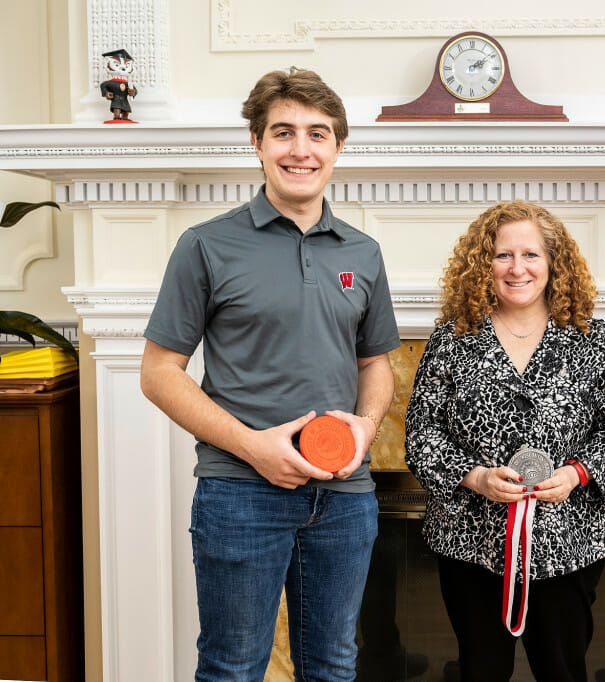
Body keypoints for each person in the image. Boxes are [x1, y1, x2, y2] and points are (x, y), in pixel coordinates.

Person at [140, 67, 400, 681]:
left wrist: (365, 429)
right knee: (233, 669)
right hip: (239, 493)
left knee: (334, 666)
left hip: (344, 497)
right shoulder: (206, 246)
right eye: (283, 132)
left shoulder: (363, 253)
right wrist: (254, 449)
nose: (301, 149)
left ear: (338, 147)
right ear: (257, 143)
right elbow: (159, 373)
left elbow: (376, 365)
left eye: (318, 133)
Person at [404, 200, 605, 682]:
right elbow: (421, 433)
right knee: (480, 670)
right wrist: (475, 476)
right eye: (501, 255)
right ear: (481, 264)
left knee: (562, 670)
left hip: (568, 541)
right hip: (470, 542)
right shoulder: (451, 339)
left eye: (531, 255)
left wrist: (576, 474)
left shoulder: (591, 338)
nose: (517, 268)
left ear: (554, 263)